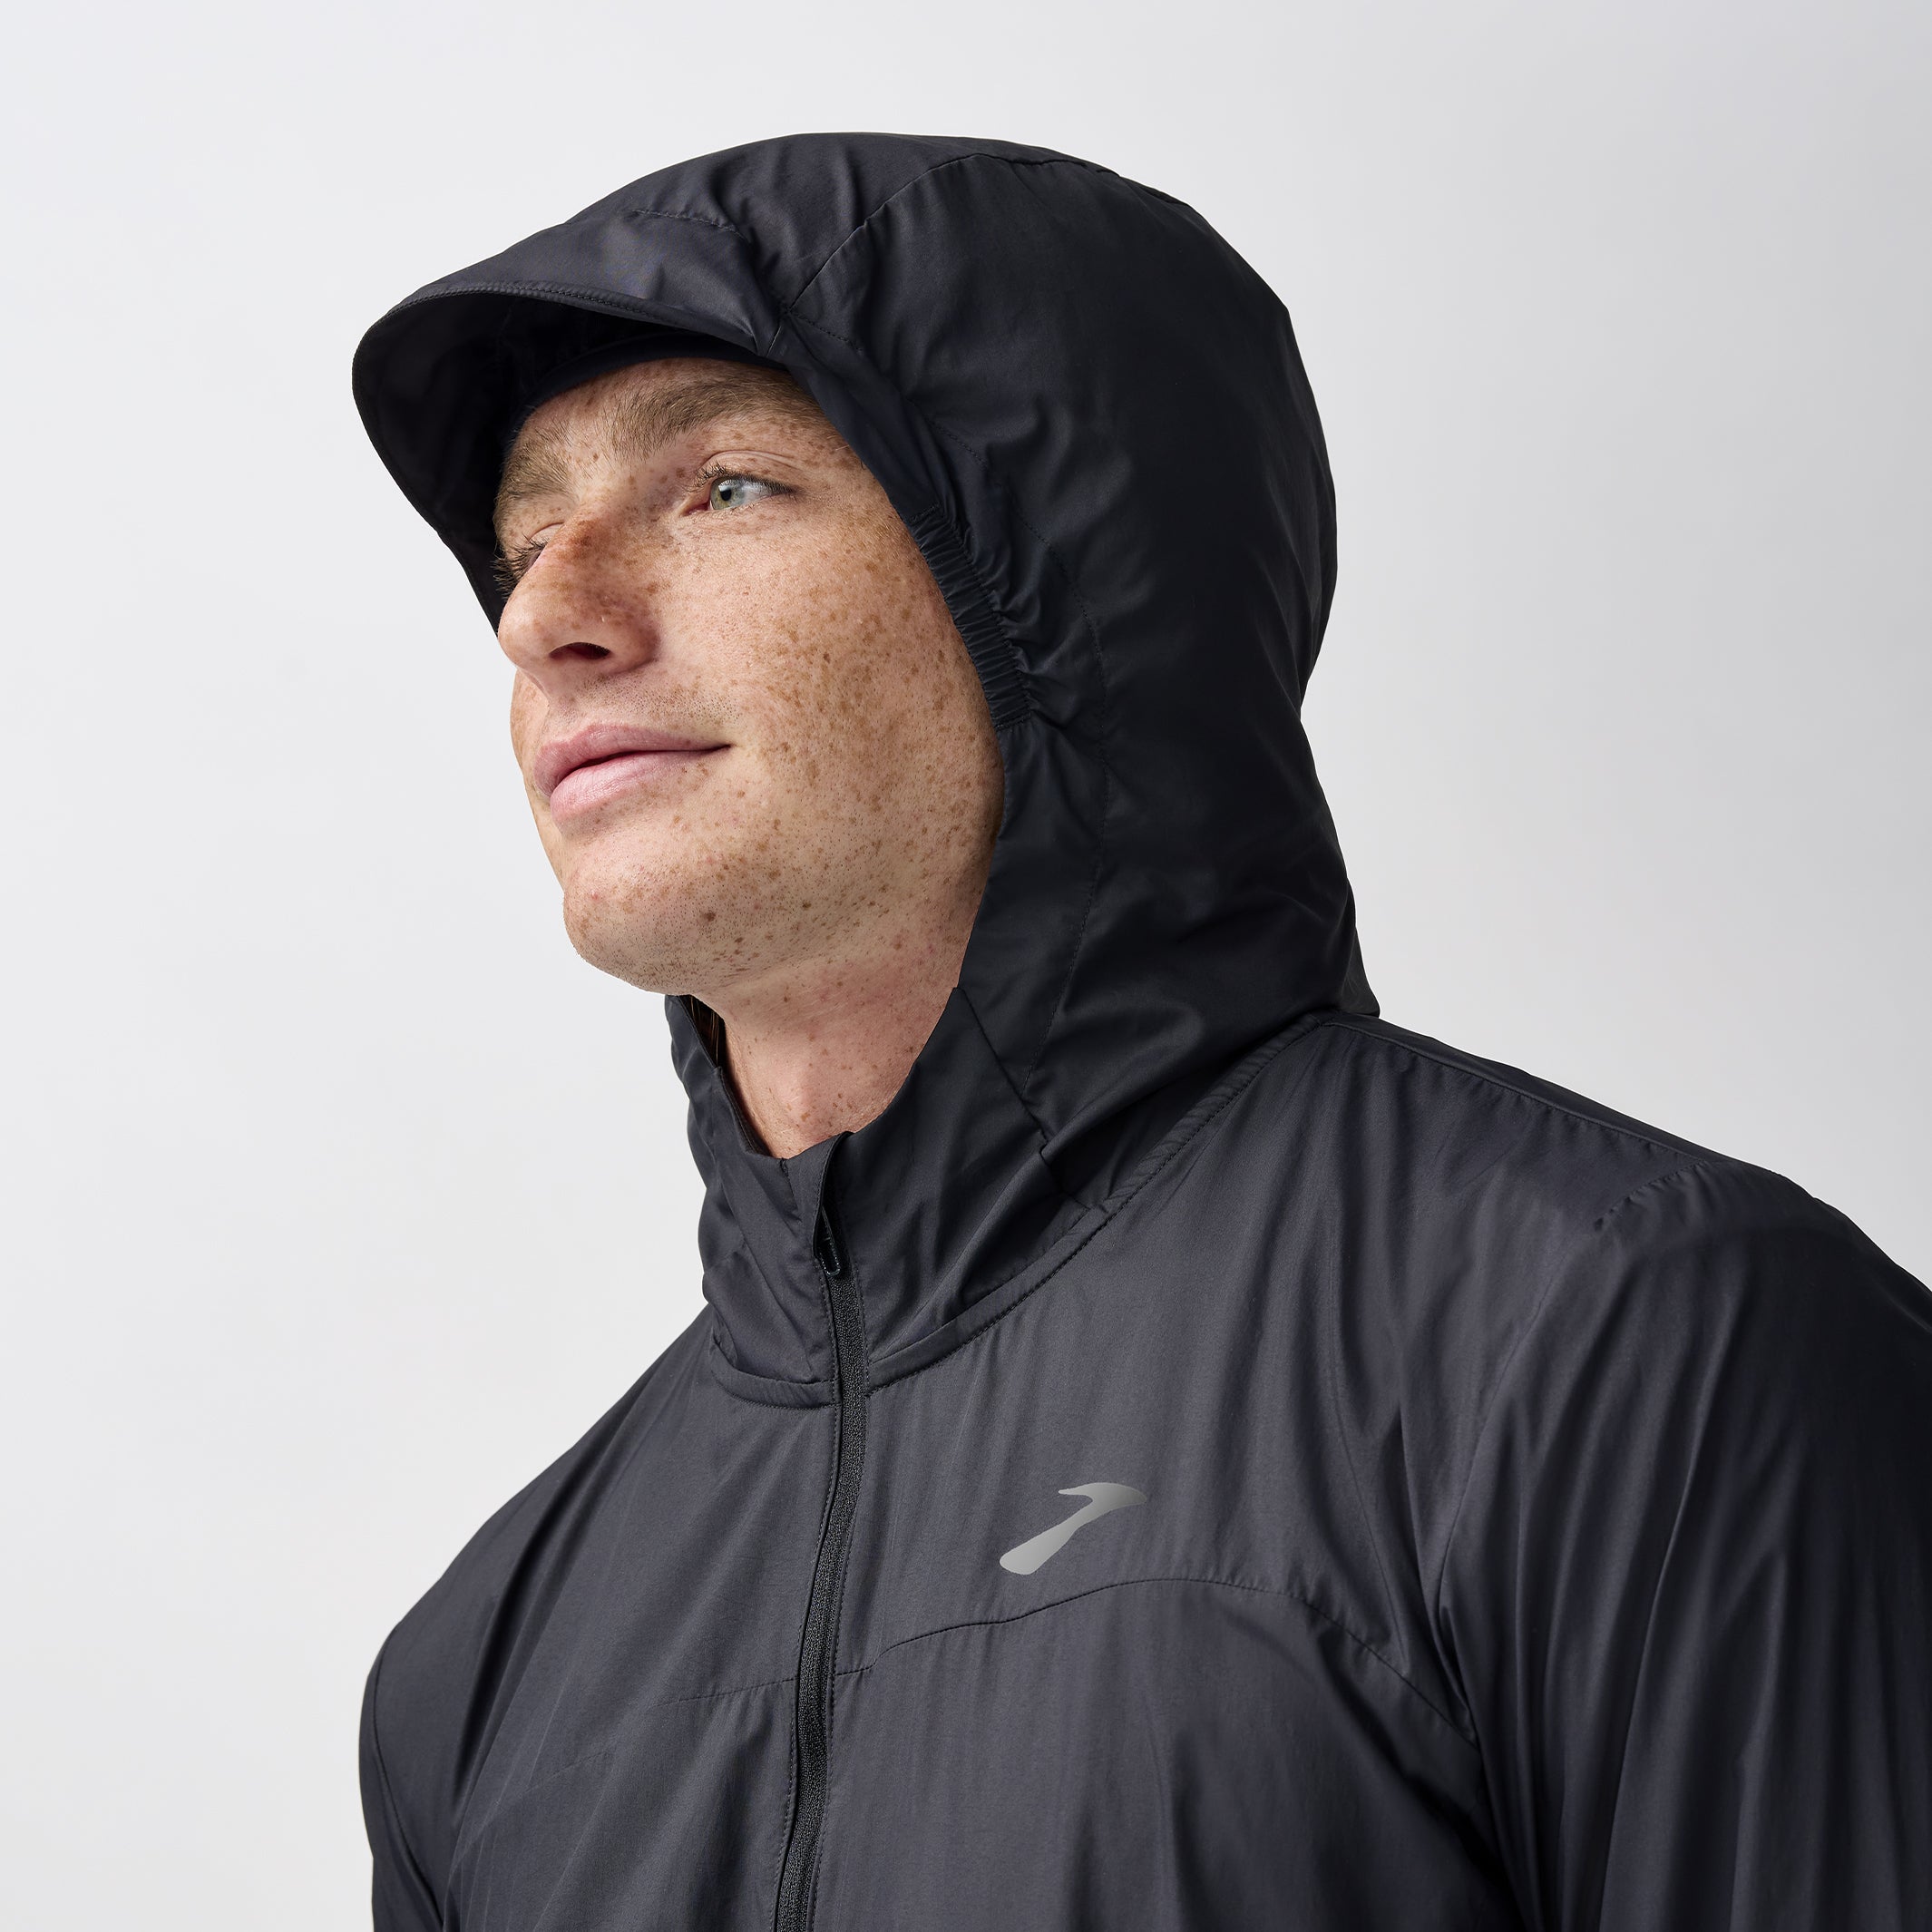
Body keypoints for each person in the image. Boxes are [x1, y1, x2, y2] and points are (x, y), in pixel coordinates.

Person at [351, 133, 1932, 1931]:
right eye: (524, 540)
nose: (546, 616)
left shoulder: (1631, 1354)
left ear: (1071, 584)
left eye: (723, 487)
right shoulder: (481, 1672)